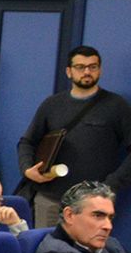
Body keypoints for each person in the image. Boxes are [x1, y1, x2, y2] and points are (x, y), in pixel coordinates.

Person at [18, 45, 131, 227]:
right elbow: (27, 142)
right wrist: (27, 168)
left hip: (93, 202)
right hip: (50, 198)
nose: (87, 72)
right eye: (80, 67)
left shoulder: (117, 106)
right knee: (47, 252)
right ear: (69, 72)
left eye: (92, 67)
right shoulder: (52, 104)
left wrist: (110, 186)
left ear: (99, 70)